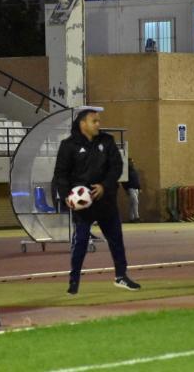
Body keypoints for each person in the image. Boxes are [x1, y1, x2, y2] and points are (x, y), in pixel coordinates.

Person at [53, 107, 140, 295]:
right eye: (95, 121)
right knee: (81, 241)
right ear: (83, 123)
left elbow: (116, 167)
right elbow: (60, 174)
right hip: (83, 205)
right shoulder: (68, 145)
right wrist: (67, 195)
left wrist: (104, 186)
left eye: (99, 121)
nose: (98, 124)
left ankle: (121, 276)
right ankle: (74, 280)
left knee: (116, 239)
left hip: (106, 201)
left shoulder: (107, 141)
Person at [122, 157, 141, 222]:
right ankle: (137, 217)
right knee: (136, 201)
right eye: (131, 162)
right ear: (128, 163)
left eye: (133, 162)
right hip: (130, 188)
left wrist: (139, 187)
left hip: (136, 189)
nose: (133, 163)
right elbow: (123, 181)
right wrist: (126, 189)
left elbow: (137, 180)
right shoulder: (126, 171)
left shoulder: (135, 170)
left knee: (131, 203)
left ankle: (131, 218)